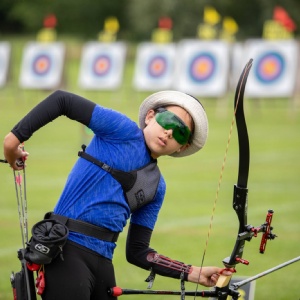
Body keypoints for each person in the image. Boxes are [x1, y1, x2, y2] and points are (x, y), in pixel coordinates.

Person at [3, 90, 231, 300]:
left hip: (102, 263)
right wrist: (13, 141)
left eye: (181, 133)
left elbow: (138, 251)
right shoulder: (121, 130)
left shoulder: (157, 186)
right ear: (150, 116)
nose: (169, 132)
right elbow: (63, 100)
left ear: (181, 147)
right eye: (167, 121)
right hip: (67, 249)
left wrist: (192, 272)